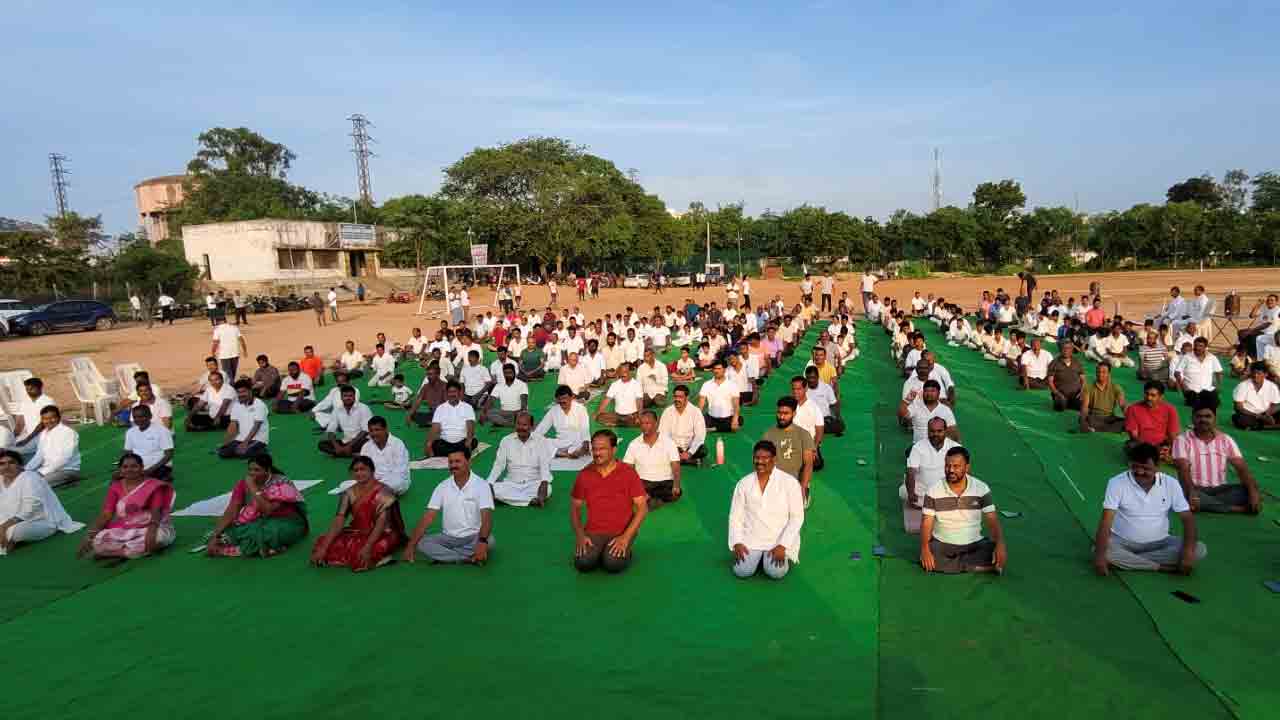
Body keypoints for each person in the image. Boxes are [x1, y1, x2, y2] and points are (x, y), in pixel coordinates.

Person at [1092, 443, 1206, 574]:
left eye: (1146, 468)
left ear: (1157, 467)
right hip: (1122, 541)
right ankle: (1159, 567)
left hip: (1161, 542)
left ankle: (1130, 562)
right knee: (1100, 550)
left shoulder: (1171, 483)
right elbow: (1106, 521)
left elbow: (1188, 519)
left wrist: (1187, 552)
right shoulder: (1117, 482)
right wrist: (1100, 556)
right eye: (1135, 467)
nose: (1140, 472)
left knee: (1198, 549)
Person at [919, 447, 1007, 574]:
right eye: (947, 466)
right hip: (943, 544)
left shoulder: (981, 488)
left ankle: (957, 565)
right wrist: (924, 549)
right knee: (930, 555)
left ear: (967, 468)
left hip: (974, 543)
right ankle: (977, 567)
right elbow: (926, 523)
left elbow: (992, 520)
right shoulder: (933, 490)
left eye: (956, 466)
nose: (951, 470)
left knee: (995, 551)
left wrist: (1000, 544)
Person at [571, 430, 648, 574]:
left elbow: (642, 508)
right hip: (594, 532)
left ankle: (624, 550)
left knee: (612, 564)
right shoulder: (584, 474)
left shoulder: (628, 473)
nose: (597, 453)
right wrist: (580, 535)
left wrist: (626, 537)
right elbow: (575, 508)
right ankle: (601, 552)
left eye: (602, 449)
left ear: (614, 450)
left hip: (621, 531)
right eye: (594, 449)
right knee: (583, 563)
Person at [311, 456, 405, 571]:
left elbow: (381, 524)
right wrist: (324, 547)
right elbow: (339, 520)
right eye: (356, 470)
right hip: (358, 532)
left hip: (384, 534)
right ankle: (377, 557)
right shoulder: (348, 493)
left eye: (363, 469)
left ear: (372, 471)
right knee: (322, 542)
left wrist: (368, 547)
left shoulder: (384, 491)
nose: (359, 473)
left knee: (367, 552)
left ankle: (380, 556)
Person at [204, 453, 308, 558]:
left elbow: (268, 510)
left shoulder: (281, 482)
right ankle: (266, 548)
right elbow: (232, 510)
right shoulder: (243, 484)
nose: (252, 473)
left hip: (286, 522)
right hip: (258, 521)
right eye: (250, 470)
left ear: (268, 471)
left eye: (257, 470)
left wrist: (253, 488)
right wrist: (215, 535)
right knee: (225, 533)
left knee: (266, 535)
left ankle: (234, 549)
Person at [728, 440, 805, 580]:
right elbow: (735, 516)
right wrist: (737, 542)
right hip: (752, 538)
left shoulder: (789, 483)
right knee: (742, 571)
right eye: (757, 458)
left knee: (775, 572)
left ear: (774, 460)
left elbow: (797, 517)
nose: (760, 462)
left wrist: (783, 545)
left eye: (765, 458)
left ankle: (765, 560)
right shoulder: (744, 483)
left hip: (777, 539)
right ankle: (757, 558)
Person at [404, 447, 494, 565]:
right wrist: (411, 546)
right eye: (450, 462)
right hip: (448, 538)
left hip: (473, 536)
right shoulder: (443, 486)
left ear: (469, 462)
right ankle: (465, 558)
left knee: (490, 540)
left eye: (457, 461)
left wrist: (482, 541)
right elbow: (428, 517)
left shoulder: (482, 485)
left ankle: (449, 555)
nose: (453, 465)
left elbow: (486, 517)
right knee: (422, 543)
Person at [78, 453, 175, 560]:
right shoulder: (115, 487)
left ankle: (118, 552)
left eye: (134, 466)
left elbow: (156, 512)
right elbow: (106, 514)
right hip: (126, 528)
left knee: (159, 538)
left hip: (151, 526)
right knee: (99, 540)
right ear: (120, 470)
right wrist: (90, 536)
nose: (129, 470)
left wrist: (151, 533)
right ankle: (129, 551)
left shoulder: (153, 485)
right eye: (125, 467)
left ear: (142, 468)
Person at [1171, 406, 1262, 514]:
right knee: (1185, 495)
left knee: (1248, 490)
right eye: (1199, 416)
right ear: (1192, 419)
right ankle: (1237, 509)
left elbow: (1242, 468)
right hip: (1194, 488)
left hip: (1221, 489)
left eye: (1208, 416)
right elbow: (1183, 470)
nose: (1203, 419)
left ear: (1215, 419)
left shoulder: (1225, 440)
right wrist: (1191, 492)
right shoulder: (1182, 440)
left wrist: (1253, 493)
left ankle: (1205, 504)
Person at [0, 450, 81, 555]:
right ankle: (6, 538)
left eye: (11, 462)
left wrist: (5, 526)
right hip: (8, 521)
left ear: (20, 465)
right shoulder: (1, 480)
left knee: (16, 531)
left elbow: (32, 506)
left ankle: (9, 540)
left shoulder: (30, 477)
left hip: (41, 521)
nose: (7, 466)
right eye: (2, 464)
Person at [901, 417, 959, 533]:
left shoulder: (955, 448)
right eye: (932, 431)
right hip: (922, 496)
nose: (935, 434)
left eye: (939, 431)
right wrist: (911, 494)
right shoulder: (918, 447)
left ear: (945, 431)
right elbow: (910, 472)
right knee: (904, 491)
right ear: (927, 431)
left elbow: (965, 473)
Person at [489, 412, 554, 507]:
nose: (521, 428)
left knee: (548, 489)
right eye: (518, 424)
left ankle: (511, 500)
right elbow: (499, 464)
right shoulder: (506, 440)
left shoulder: (541, 441)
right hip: (511, 483)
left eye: (524, 425)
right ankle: (530, 501)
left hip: (533, 483)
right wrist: (490, 482)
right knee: (493, 488)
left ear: (531, 426)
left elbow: (545, 465)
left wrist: (544, 482)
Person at [622, 411, 682, 509]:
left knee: (675, 492)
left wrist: (676, 485)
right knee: (628, 490)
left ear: (656, 424)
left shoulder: (669, 442)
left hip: (664, 481)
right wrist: (633, 486)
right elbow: (628, 468)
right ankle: (651, 499)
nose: (644, 426)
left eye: (648, 423)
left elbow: (675, 465)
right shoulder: (634, 444)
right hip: (643, 482)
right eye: (641, 423)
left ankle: (648, 498)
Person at [761, 396, 814, 503]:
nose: (781, 417)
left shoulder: (803, 434)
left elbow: (808, 464)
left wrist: (802, 489)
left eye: (786, 413)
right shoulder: (768, 434)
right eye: (779, 413)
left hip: (794, 479)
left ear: (794, 414)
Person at [25, 405, 81, 488]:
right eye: (45, 419)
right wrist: (26, 470)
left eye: (52, 418)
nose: (49, 421)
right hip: (48, 469)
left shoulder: (67, 433)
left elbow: (64, 458)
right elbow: (39, 455)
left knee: (35, 484)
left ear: (59, 417)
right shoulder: (44, 433)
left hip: (66, 470)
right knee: (24, 480)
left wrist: (42, 472)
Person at [1124, 381, 1180, 458]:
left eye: (1153, 395)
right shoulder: (1133, 409)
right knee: (1132, 446)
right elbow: (1134, 436)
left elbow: (1172, 435)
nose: (1149, 398)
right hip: (1142, 444)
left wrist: (1170, 447)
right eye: (1146, 394)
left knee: (1179, 448)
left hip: (1162, 444)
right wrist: (1154, 448)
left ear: (1161, 397)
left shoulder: (1170, 409)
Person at [217, 379, 269, 460]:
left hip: (257, 439)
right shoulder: (236, 404)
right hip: (240, 438)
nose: (241, 394)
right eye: (238, 392)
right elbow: (233, 424)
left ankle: (262, 450)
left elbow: (256, 426)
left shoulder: (259, 405)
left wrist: (245, 443)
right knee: (223, 452)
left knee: (243, 453)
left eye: (243, 391)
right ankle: (241, 449)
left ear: (250, 391)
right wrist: (226, 443)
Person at [357, 417, 410, 495]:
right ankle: (374, 493)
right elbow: (363, 469)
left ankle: (371, 493)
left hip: (393, 480)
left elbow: (400, 471)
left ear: (385, 429)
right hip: (374, 481)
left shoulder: (398, 444)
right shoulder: (366, 447)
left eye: (377, 430)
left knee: (397, 483)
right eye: (371, 431)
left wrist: (379, 481)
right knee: (348, 484)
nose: (374, 433)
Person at [658, 384, 707, 467]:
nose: (677, 399)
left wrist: (689, 452)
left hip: (689, 446)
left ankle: (677, 460)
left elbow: (700, 435)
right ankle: (690, 462)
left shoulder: (696, 412)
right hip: (673, 446)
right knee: (659, 447)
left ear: (687, 398)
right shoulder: (668, 411)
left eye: (680, 397)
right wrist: (674, 449)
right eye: (675, 396)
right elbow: (663, 434)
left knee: (703, 450)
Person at [426, 382, 478, 457]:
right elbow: (435, 427)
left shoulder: (467, 407)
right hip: (445, 442)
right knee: (435, 445)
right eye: (450, 392)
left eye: (454, 392)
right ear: (446, 393)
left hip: (462, 441)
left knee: (473, 442)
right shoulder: (440, 408)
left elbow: (470, 425)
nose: (452, 394)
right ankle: (457, 453)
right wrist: (429, 443)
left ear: (459, 393)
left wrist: (468, 440)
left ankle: (455, 452)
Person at [318, 385, 371, 458]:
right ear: (341, 397)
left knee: (368, 443)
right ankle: (349, 454)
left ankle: (340, 453)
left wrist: (349, 446)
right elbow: (331, 431)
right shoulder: (337, 410)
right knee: (322, 444)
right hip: (346, 441)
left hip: (361, 441)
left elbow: (365, 431)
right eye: (345, 396)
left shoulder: (363, 408)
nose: (348, 398)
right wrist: (337, 446)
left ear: (354, 397)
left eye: (350, 396)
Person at [899, 379, 958, 444]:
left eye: (932, 391)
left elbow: (953, 431)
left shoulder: (945, 410)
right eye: (926, 391)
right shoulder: (916, 407)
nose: (929, 394)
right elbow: (903, 414)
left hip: (939, 446)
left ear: (938, 393)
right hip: (919, 446)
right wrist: (907, 401)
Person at [124, 405, 173, 481]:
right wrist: (128, 468)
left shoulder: (162, 431)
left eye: (141, 416)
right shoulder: (130, 432)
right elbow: (128, 453)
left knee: (147, 485)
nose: (138, 420)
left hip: (158, 467)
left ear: (150, 416)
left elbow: (168, 455)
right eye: (135, 417)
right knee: (116, 481)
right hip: (137, 468)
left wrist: (149, 470)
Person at [1174, 337, 1222, 410]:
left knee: (1214, 403)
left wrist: (1218, 386)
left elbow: (1219, 372)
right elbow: (1177, 372)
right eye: (1195, 345)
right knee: (1195, 403)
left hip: (1207, 390)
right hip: (1191, 390)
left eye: (1200, 346)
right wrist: (1183, 386)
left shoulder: (1212, 358)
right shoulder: (1187, 357)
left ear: (1205, 347)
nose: (1197, 348)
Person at [1231, 361, 1280, 430]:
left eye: (1259, 373)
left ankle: (1256, 426)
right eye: (1254, 373)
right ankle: (1269, 426)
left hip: (1266, 413)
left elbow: (1276, 405)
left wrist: (1267, 414)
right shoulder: (1243, 385)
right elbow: (1238, 407)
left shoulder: (1272, 386)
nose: (1255, 375)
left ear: (1265, 374)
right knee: (1239, 418)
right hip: (1249, 414)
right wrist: (1258, 416)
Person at [1079, 363, 1127, 433]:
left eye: (1104, 372)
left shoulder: (1116, 388)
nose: (1100, 374)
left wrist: (1129, 417)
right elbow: (1085, 407)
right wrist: (1082, 420)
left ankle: (1096, 430)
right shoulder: (1088, 387)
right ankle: (1109, 429)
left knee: (1126, 423)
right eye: (1098, 372)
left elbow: (1122, 404)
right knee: (1087, 420)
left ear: (1109, 374)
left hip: (1110, 417)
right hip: (1094, 417)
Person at [596, 361, 643, 427]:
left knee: (638, 421)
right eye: (621, 372)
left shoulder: (637, 384)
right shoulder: (614, 384)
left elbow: (639, 402)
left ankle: (619, 423)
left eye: (625, 372)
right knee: (600, 417)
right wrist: (598, 412)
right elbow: (607, 400)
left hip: (631, 415)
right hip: (618, 415)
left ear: (630, 372)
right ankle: (621, 423)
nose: (623, 374)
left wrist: (639, 417)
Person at [698, 361, 741, 433]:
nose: (716, 371)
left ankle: (713, 429)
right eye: (714, 369)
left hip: (727, 418)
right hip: (711, 417)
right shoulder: (706, 384)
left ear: (724, 370)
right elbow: (701, 403)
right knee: (699, 421)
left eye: (719, 369)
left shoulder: (732, 385)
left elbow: (736, 404)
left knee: (739, 420)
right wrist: (697, 417)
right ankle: (719, 428)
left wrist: (735, 418)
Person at [1046, 341, 1086, 412]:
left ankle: (1071, 403)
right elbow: (1050, 382)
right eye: (1064, 348)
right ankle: (1064, 402)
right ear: (1060, 349)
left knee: (1084, 405)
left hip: (1075, 394)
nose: (1066, 350)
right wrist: (1057, 393)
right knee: (1060, 406)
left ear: (1072, 350)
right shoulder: (1054, 363)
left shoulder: (1077, 362)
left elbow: (1083, 379)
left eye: (1068, 348)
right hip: (1061, 394)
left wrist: (1082, 391)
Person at [407, 363, 448, 428]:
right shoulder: (426, 387)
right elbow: (418, 401)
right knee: (412, 414)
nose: (428, 377)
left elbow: (448, 405)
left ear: (438, 375)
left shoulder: (445, 386)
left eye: (430, 374)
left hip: (443, 414)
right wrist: (409, 415)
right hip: (432, 413)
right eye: (427, 374)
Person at [210, 314, 247, 381]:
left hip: (224, 355)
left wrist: (213, 352)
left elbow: (215, 342)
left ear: (218, 322)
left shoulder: (217, 330)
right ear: (225, 320)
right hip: (235, 353)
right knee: (233, 373)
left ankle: (231, 389)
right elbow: (241, 340)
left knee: (228, 375)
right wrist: (245, 351)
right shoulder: (234, 327)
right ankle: (232, 387)